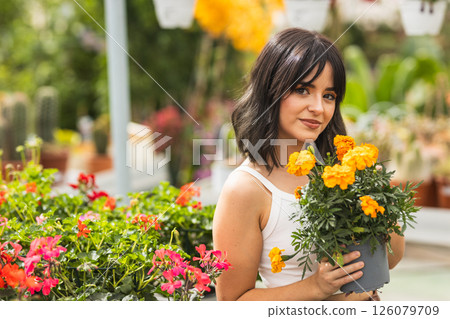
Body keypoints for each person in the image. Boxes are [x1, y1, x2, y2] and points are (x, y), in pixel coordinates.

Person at [213, 28, 404, 301]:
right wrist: (317, 288)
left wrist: (380, 199)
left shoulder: (341, 171)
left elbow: (391, 258)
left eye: (329, 95)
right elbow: (231, 302)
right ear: (270, 91)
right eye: (303, 90)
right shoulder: (246, 189)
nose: (319, 107)